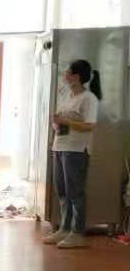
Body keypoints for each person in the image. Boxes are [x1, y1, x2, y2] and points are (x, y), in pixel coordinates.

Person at [43, 58, 101, 248]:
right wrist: (56, 123)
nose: (65, 75)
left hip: (77, 149)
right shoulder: (67, 95)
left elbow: (90, 125)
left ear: (76, 76)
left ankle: (77, 233)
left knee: (75, 192)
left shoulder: (89, 98)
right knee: (62, 191)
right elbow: (60, 119)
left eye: (68, 72)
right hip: (59, 146)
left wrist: (67, 122)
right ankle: (64, 228)